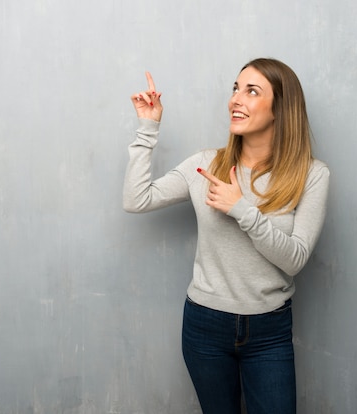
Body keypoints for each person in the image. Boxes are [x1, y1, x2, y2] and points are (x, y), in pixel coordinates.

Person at [122, 58, 329, 414]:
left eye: (252, 91)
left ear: (281, 108)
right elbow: (136, 200)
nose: (236, 99)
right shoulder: (206, 165)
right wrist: (147, 129)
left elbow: (294, 260)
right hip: (205, 325)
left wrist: (242, 209)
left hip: (269, 330)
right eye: (235, 89)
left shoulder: (311, 175)